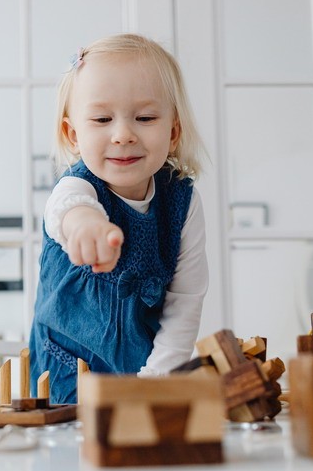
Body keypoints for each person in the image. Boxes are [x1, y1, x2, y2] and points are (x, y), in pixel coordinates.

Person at [29, 33, 208, 404]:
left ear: (173, 132)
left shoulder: (182, 203)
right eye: (101, 118)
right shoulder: (75, 190)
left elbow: (184, 303)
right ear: (73, 134)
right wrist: (86, 226)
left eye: (144, 117)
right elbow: (68, 212)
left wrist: (156, 381)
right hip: (66, 376)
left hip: (142, 369)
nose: (123, 134)